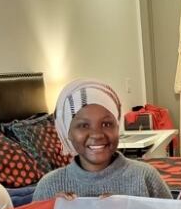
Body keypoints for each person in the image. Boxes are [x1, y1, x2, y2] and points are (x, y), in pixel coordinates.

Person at [32, 79, 172, 201]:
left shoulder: (145, 178)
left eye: (106, 124)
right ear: (67, 132)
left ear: (118, 127)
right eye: (83, 125)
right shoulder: (49, 188)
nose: (97, 134)